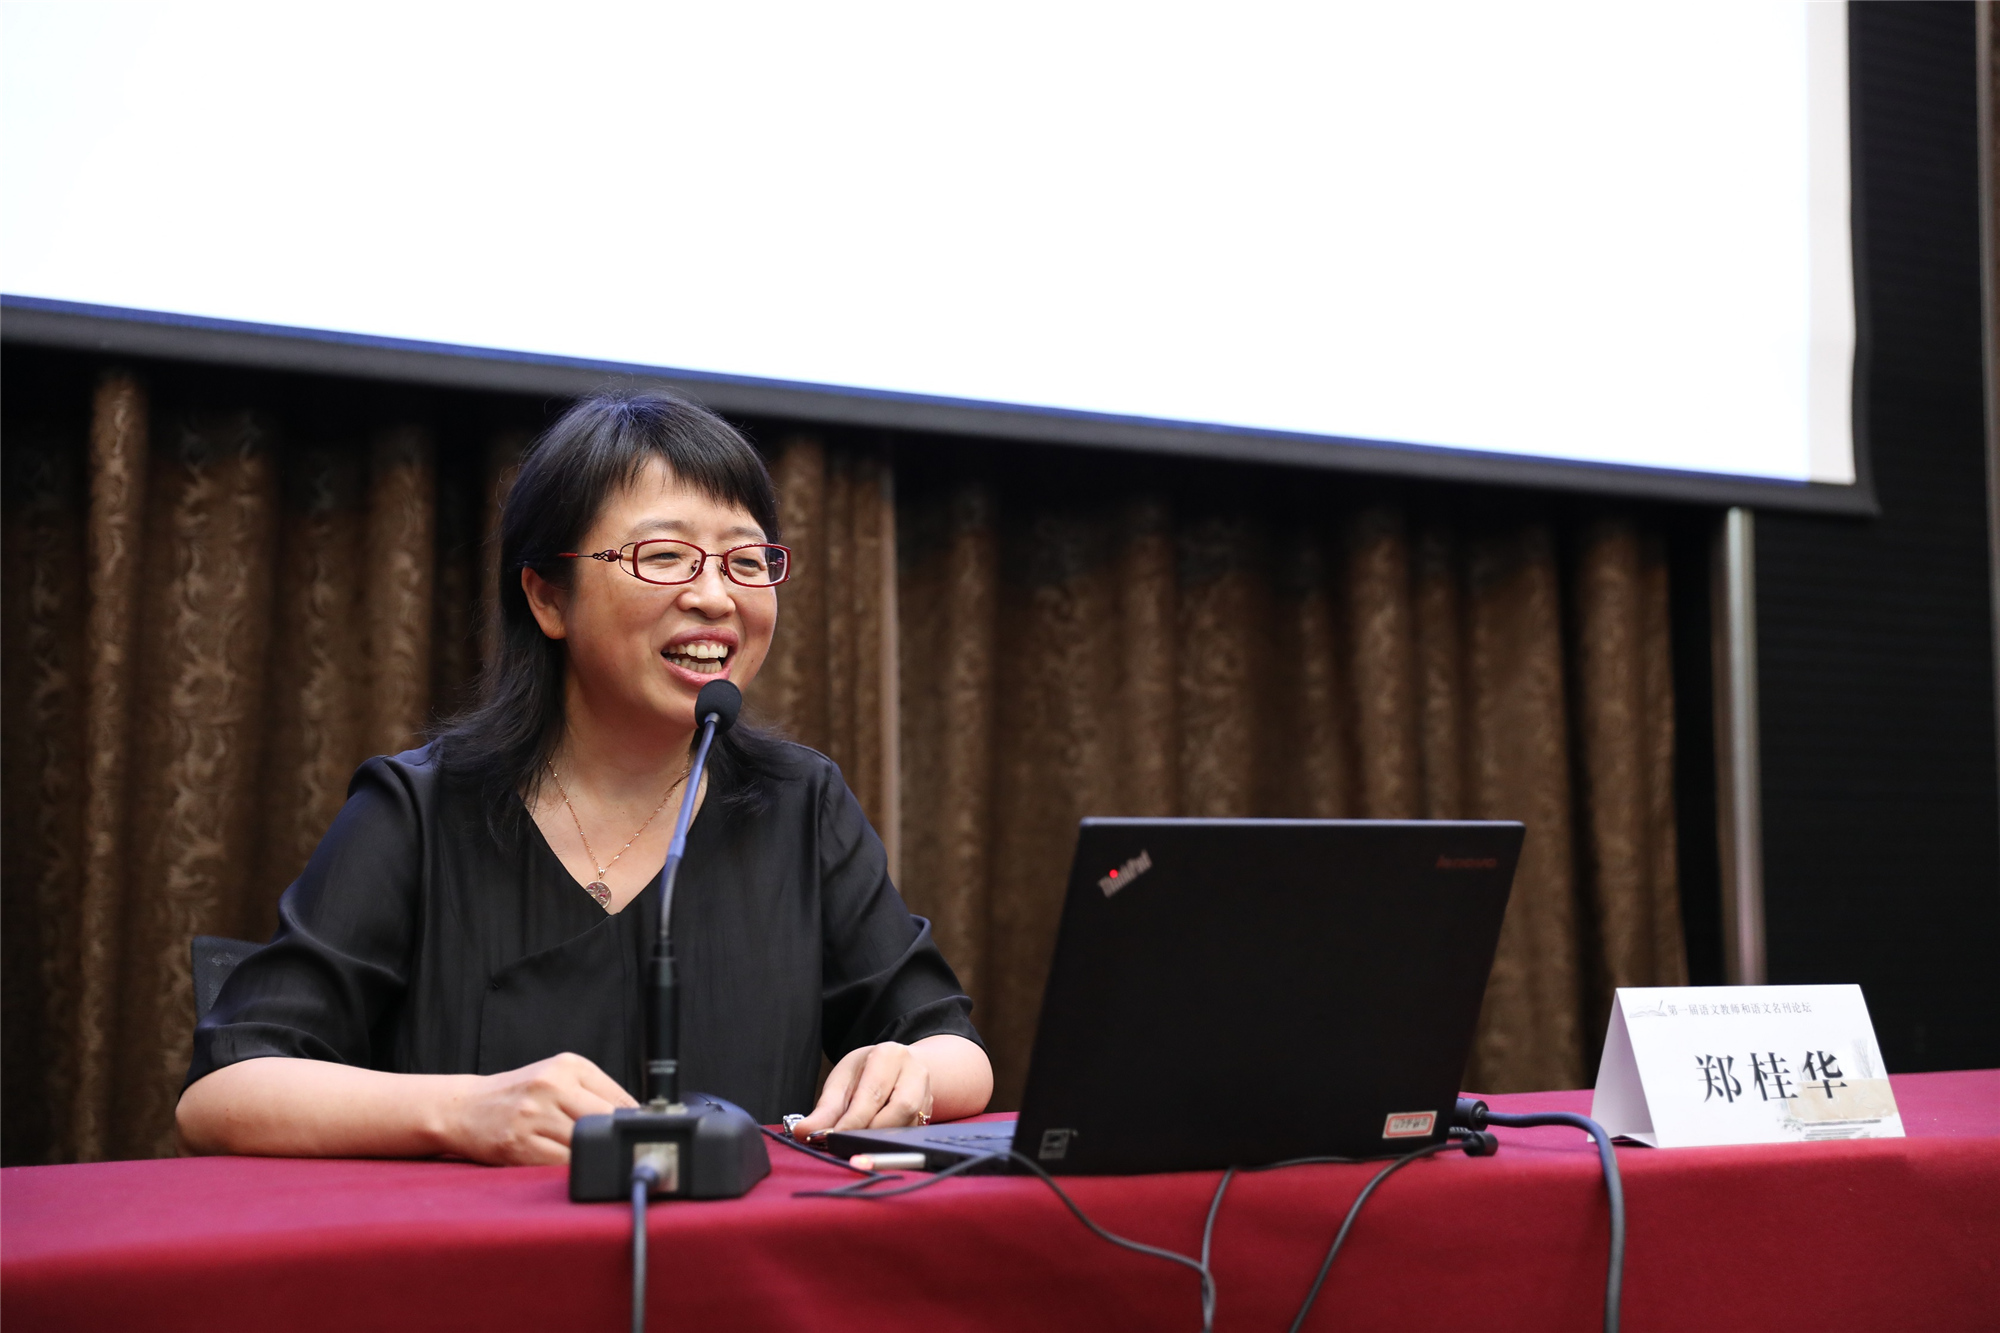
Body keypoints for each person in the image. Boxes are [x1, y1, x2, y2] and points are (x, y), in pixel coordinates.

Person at [176, 391, 991, 1165]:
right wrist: (464, 1109)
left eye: (747, 561)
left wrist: (910, 1069)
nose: (716, 596)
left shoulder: (799, 804)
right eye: (665, 555)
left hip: (731, 1257)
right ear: (547, 597)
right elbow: (223, 1092)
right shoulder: (419, 811)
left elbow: (955, 1048)